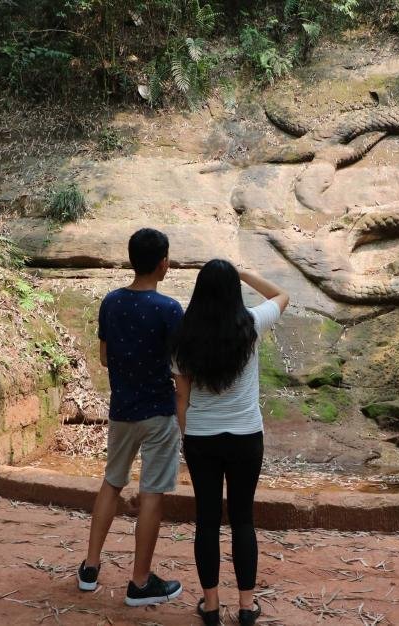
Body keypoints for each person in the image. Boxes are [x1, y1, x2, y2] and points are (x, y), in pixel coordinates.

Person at [171, 260, 289, 626]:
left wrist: (187, 436)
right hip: (245, 438)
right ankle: (246, 606)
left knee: (206, 522)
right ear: (234, 291)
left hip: (202, 439)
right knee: (242, 520)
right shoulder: (251, 324)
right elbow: (282, 295)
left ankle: (210, 607)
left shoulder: (182, 336)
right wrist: (245, 272)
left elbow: (181, 398)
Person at [77, 228, 184, 607]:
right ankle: (140, 582)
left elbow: (105, 357)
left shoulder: (111, 303)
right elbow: (179, 368)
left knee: (112, 482)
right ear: (162, 264)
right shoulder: (170, 310)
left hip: (122, 411)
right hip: (159, 413)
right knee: (152, 493)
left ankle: (90, 568)